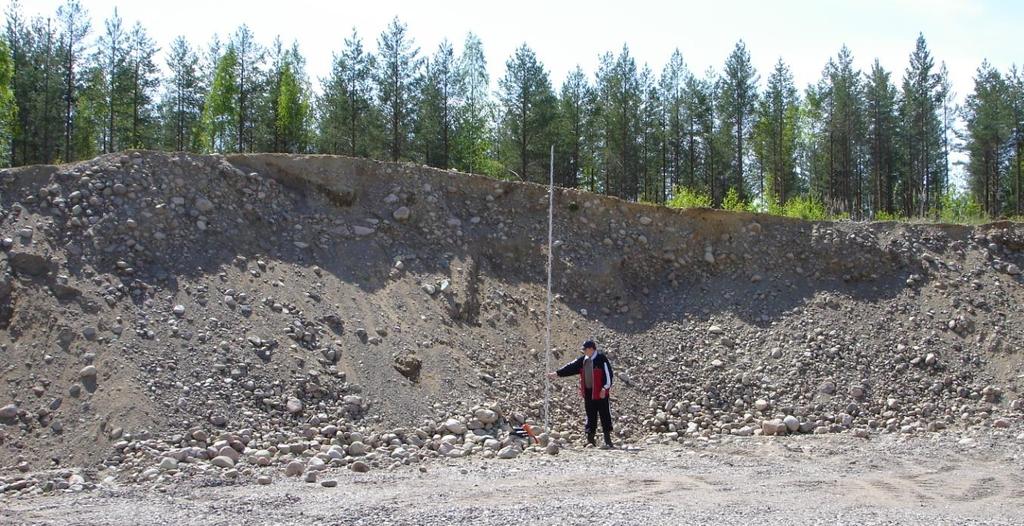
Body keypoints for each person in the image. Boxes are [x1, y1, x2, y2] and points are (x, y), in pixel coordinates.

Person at [547, 340, 614, 449]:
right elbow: (571, 367)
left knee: (604, 414)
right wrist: (557, 374)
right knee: (590, 415)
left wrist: (605, 388)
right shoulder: (583, 360)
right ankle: (590, 440)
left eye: (585, 349)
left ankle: (608, 440)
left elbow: (609, 375)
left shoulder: (602, 359)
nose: (583, 351)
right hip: (588, 393)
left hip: (600, 393)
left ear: (592, 349)